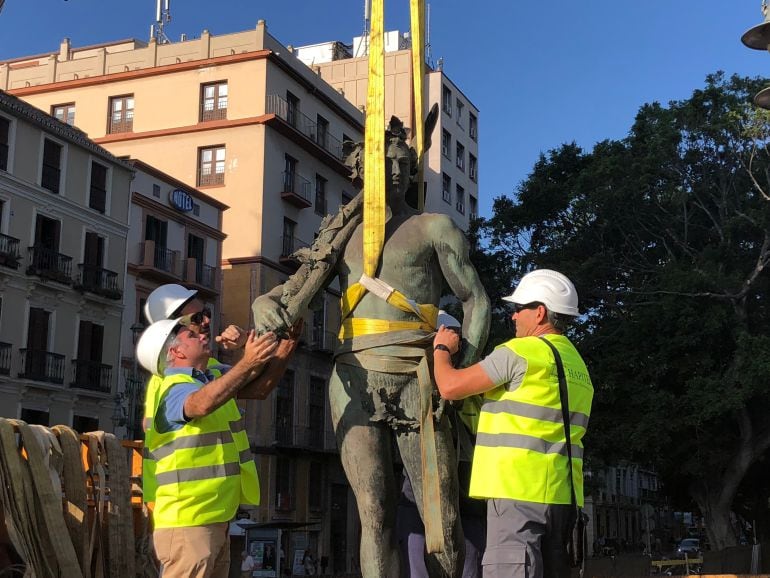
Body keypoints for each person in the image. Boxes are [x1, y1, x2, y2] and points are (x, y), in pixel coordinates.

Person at [252, 117, 490, 577]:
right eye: (386, 164)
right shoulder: (338, 236)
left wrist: (461, 374)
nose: (397, 173)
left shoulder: (434, 227)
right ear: (361, 171)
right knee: (373, 512)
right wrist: (264, 301)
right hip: (353, 376)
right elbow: (291, 292)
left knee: (439, 513)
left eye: (404, 164)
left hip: (418, 375)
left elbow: (475, 300)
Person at [432, 269, 594, 578]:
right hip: (563, 498)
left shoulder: (519, 352)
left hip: (517, 496)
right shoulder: (577, 365)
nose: (514, 316)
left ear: (540, 312)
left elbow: (450, 386)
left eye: (519, 309)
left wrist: (442, 349)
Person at [136, 317, 297, 578]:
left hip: (212, 519)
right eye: (191, 335)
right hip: (188, 522)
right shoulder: (172, 388)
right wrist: (246, 361)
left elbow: (256, 379)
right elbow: (200, 405)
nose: (202, 334)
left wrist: (285, 344)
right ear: (175, 351)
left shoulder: (207, 379)